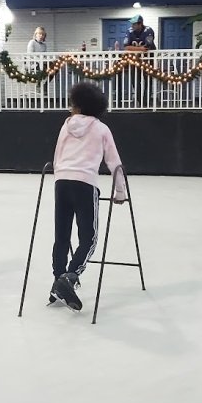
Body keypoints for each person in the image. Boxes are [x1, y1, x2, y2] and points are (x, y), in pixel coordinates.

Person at [49, 82, 126, 311]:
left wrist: (60, 176)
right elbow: (115, 163)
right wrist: (120, 191)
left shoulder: (65, 126)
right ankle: (69, 278)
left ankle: (57, 280)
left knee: (61, 236)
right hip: (85, 184)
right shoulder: (101, 128)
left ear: (80, 105)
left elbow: (57, 156)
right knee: (89, 238)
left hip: (61, 182)